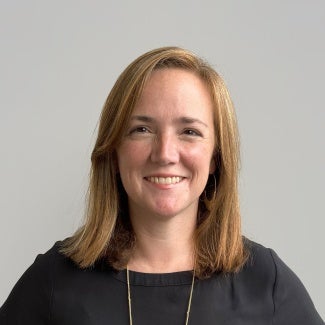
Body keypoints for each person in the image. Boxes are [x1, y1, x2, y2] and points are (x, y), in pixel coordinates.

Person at [0, 47, 323, 325]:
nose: (165, 154)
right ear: (114, 152)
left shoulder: (266, 281)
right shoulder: (54, 279)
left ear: (215, 157)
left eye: (190, 132)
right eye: (141, 129)